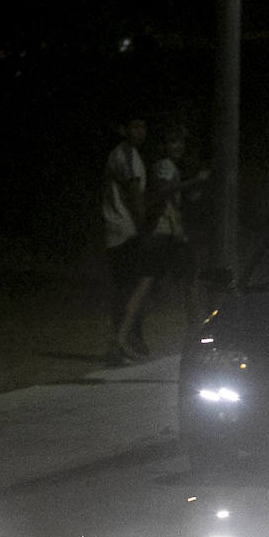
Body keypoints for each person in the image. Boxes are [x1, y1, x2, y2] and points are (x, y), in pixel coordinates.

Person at [147, 125, 211, 325]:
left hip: (172, 229)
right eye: (173, 142)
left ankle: (195, 319)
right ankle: (196, 320)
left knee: (187, 273)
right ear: (164, 145)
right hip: (165, 229)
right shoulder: (166, 165)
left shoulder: (173, 166)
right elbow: (165, 189)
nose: (178, 146)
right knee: (154, 279)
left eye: (180, 142)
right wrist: (194, 181)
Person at [102, 114, 150, 366]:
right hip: (125, 229)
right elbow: (134, 194)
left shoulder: (125, 154)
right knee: (132, 288)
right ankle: (120, 342)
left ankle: (122, 341)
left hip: (117, 229)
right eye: (135, 125)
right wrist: (143, 227)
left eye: (142, 126)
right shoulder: (126, 155)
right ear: (124, 129)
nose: (140, 131)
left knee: (125, 288)